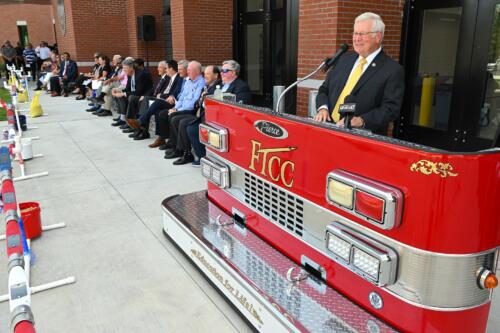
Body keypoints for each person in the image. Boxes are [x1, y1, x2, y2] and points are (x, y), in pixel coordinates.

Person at [314, 12, 404, 135]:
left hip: (361, 139)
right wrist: (322, 108)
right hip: (329, 130)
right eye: (355, 33)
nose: (356, 38)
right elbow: (324, 89)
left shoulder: (392, 70)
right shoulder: (344, 59)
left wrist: (362, 120)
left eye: (362, 34)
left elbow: (390, 109)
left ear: (378, 37)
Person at [171, 65, 222, 165]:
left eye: (208, 74)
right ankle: (182, 150)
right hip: (199, 113)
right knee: (176, 119)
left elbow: (210, 105)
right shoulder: (207, 86)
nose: (205, 76)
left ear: (216, 76)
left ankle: (190, 153)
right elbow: (197, 102)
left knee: (184, 123)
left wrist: (199, 106)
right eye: (205, 73)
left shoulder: (217, 87)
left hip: (206, 116)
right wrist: (198, 106)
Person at [161, 61, 205, 160]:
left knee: (176, 118)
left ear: (197, 71)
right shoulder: (188, 81)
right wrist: (176, 108)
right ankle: (177, 147)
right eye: (188, 70)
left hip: (192, 110)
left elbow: (194, 102)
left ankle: (185, 152)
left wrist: (178, 110)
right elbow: (181, 98)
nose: (187, 72)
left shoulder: (201, 83)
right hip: (183, 108)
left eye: (189, 70)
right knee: (171, 115)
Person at [142, 60, 186, 148]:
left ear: (171, 69)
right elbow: (172, 92)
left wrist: (168, 96)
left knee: (157, 103)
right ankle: (161, 138)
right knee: (158, 110)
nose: (165, 70)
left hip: (173, 102)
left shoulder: (179, 78)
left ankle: (142, 121)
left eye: (166, 68)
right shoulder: (170, 78)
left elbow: (175, 92)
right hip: (168, 100)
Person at [111, 57, 153, 127]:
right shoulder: (129, 74)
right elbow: (128, 89)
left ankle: (131, 122)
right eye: (123, 68)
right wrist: (119, 91)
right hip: (135, 94)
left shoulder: (141, 75)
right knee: (122, 97)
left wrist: (123, 94)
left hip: (144, 95)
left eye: (125, 68)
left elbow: (138, 92)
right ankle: (125, 120)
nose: (123, 70)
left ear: (131, 68)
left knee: (131, 97)